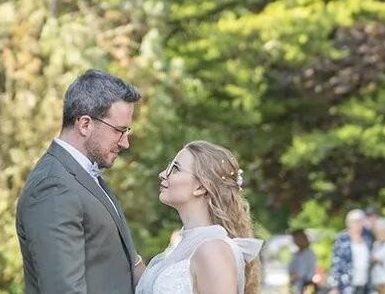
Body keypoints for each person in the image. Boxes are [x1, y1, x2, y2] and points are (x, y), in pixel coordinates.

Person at [16, 69, 144, 294]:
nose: (125, 143)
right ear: (85, 124)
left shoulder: (82, 177)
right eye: (119, 131)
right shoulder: (53, 186)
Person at [136, 141, 264, 294]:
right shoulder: (186, 245)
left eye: (175, 169)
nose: (163, 174)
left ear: (200, 187)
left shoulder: (213, 250)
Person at [330, 209, 371, 294]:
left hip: (364, 283)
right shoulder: (342, 238)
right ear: (348, 223)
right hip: (346, 284)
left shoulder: (367, 238)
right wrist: (334, 286)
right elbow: (336, 263)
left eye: (360, 221)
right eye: (355, 221)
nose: (358, 224)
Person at [288, 230, 318, 294]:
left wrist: (293, 277)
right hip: (297, 286)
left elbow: (303, 272)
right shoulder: (297, 253)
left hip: (304, 287)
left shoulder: (308, 254)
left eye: (295, 238)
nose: (294, 241)